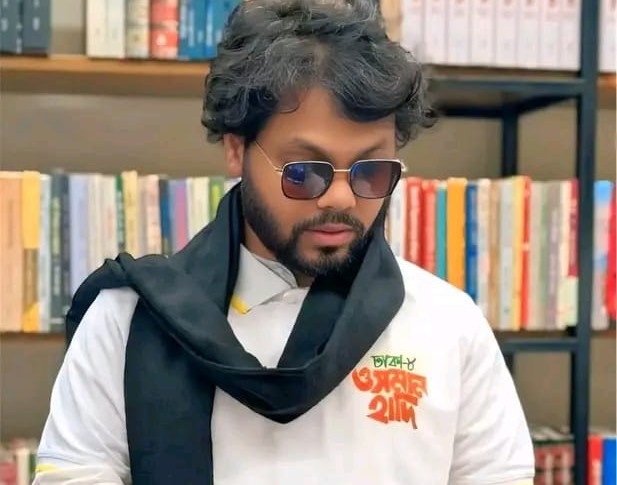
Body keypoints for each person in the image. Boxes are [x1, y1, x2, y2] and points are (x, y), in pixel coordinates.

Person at [33, 1, 536, 484]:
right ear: (237, 150)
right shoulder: (129, 320)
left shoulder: (449, 323)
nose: (340, 197)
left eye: (371, 171)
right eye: (305, 171)